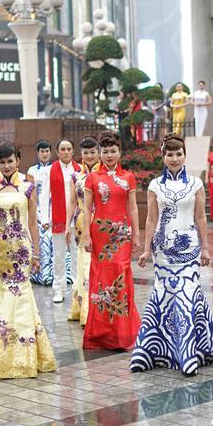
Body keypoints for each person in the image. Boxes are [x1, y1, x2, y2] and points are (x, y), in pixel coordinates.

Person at [131, 134, 213, 375]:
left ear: (185, 155)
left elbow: (200, 217)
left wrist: (205, 247)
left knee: (187, 294)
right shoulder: (155, 186)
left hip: (190, 249)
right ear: (163, 157)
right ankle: (152, 352)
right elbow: (151, 218)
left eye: (178, 154)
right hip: (162, 252)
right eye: (170, 154)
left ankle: (189, 354)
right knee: (164, 296)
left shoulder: (196, 184)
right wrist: (146, 249)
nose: (174, 159)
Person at [0, 144, 57, 378]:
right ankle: (1, 352)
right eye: (2, 162)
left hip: (21, 252)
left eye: (10, 161)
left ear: (18, 161)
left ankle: (22, 356)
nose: (6, 166)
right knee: (0, 296)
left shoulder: (28, 188)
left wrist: (37, 253)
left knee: (21, 296)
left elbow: (32, 224)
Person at [81, 132, 141, 350]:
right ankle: (102, 334)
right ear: (100, 153)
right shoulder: (93, 178)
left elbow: (132, 207)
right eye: (105, 151)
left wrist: (137, 234)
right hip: (100, 233)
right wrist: (86, 234)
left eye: (113, 150)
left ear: (120, 152)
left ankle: (123, 333)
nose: (109, 155)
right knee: (101, 278)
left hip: (122, 234)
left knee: (121, 274)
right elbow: (87, 209)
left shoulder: (129, 177)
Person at [66, 137, 99, 326]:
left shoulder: (104, 175)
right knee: (82, 266)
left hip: (99, 224)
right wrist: (68, 225)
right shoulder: (76, 176)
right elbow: (71, 202)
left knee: (91, 266)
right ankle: (82, 309)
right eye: (86, 153)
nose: (89, 156)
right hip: (80, 225)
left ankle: (91, 311)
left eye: (93, 152)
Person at [49, 139, 79, 304]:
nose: (66, 152)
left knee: (76, 256)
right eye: (62, 149)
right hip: (58, 220)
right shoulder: (50, 170)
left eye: (68, 149)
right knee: (59, 257)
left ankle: (77, 289)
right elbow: (44, 195)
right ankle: (58, 290)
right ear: (57, 152)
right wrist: (45, 218)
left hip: (77, 220)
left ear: (73, 151)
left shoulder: (80, 170)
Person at [26, 140, 54, 286]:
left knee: (52, 243)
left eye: (47, 151)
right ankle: (39, 274)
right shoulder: (32, 170)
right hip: (37, 210)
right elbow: (32, 192)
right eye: (42, 151)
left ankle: (52, 274)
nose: (45, 154)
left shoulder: (55, 168)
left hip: (53, 209)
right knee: (39, 242)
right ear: (37, 153)